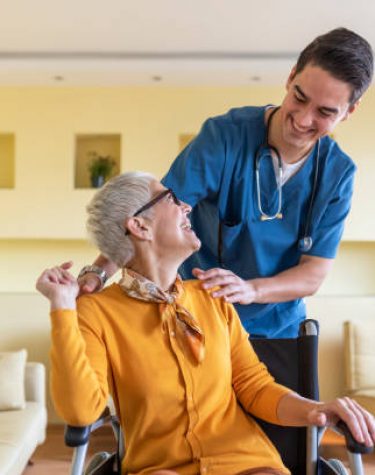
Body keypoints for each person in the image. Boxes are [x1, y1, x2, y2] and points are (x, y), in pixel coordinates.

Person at [37, 173, 375, 475]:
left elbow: (255, 388)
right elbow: (81, 412)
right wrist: (62, 308)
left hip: (246, 462)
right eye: (169, 198)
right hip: (160, 467)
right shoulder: (96, 313)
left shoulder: (212, 297)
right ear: (140, 226)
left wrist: (317, 411)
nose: (186, 206)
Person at [77, 28, 374, 338]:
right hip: (198, 322)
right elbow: (152, 217)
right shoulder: (225, 137)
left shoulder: (337, 174)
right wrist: (98, 273)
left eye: (325, 112)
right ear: (290, 77)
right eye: (299, 97)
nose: (302, 120)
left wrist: (251, 289)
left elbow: (313, 274)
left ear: (350, 111)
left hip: (276, 330)